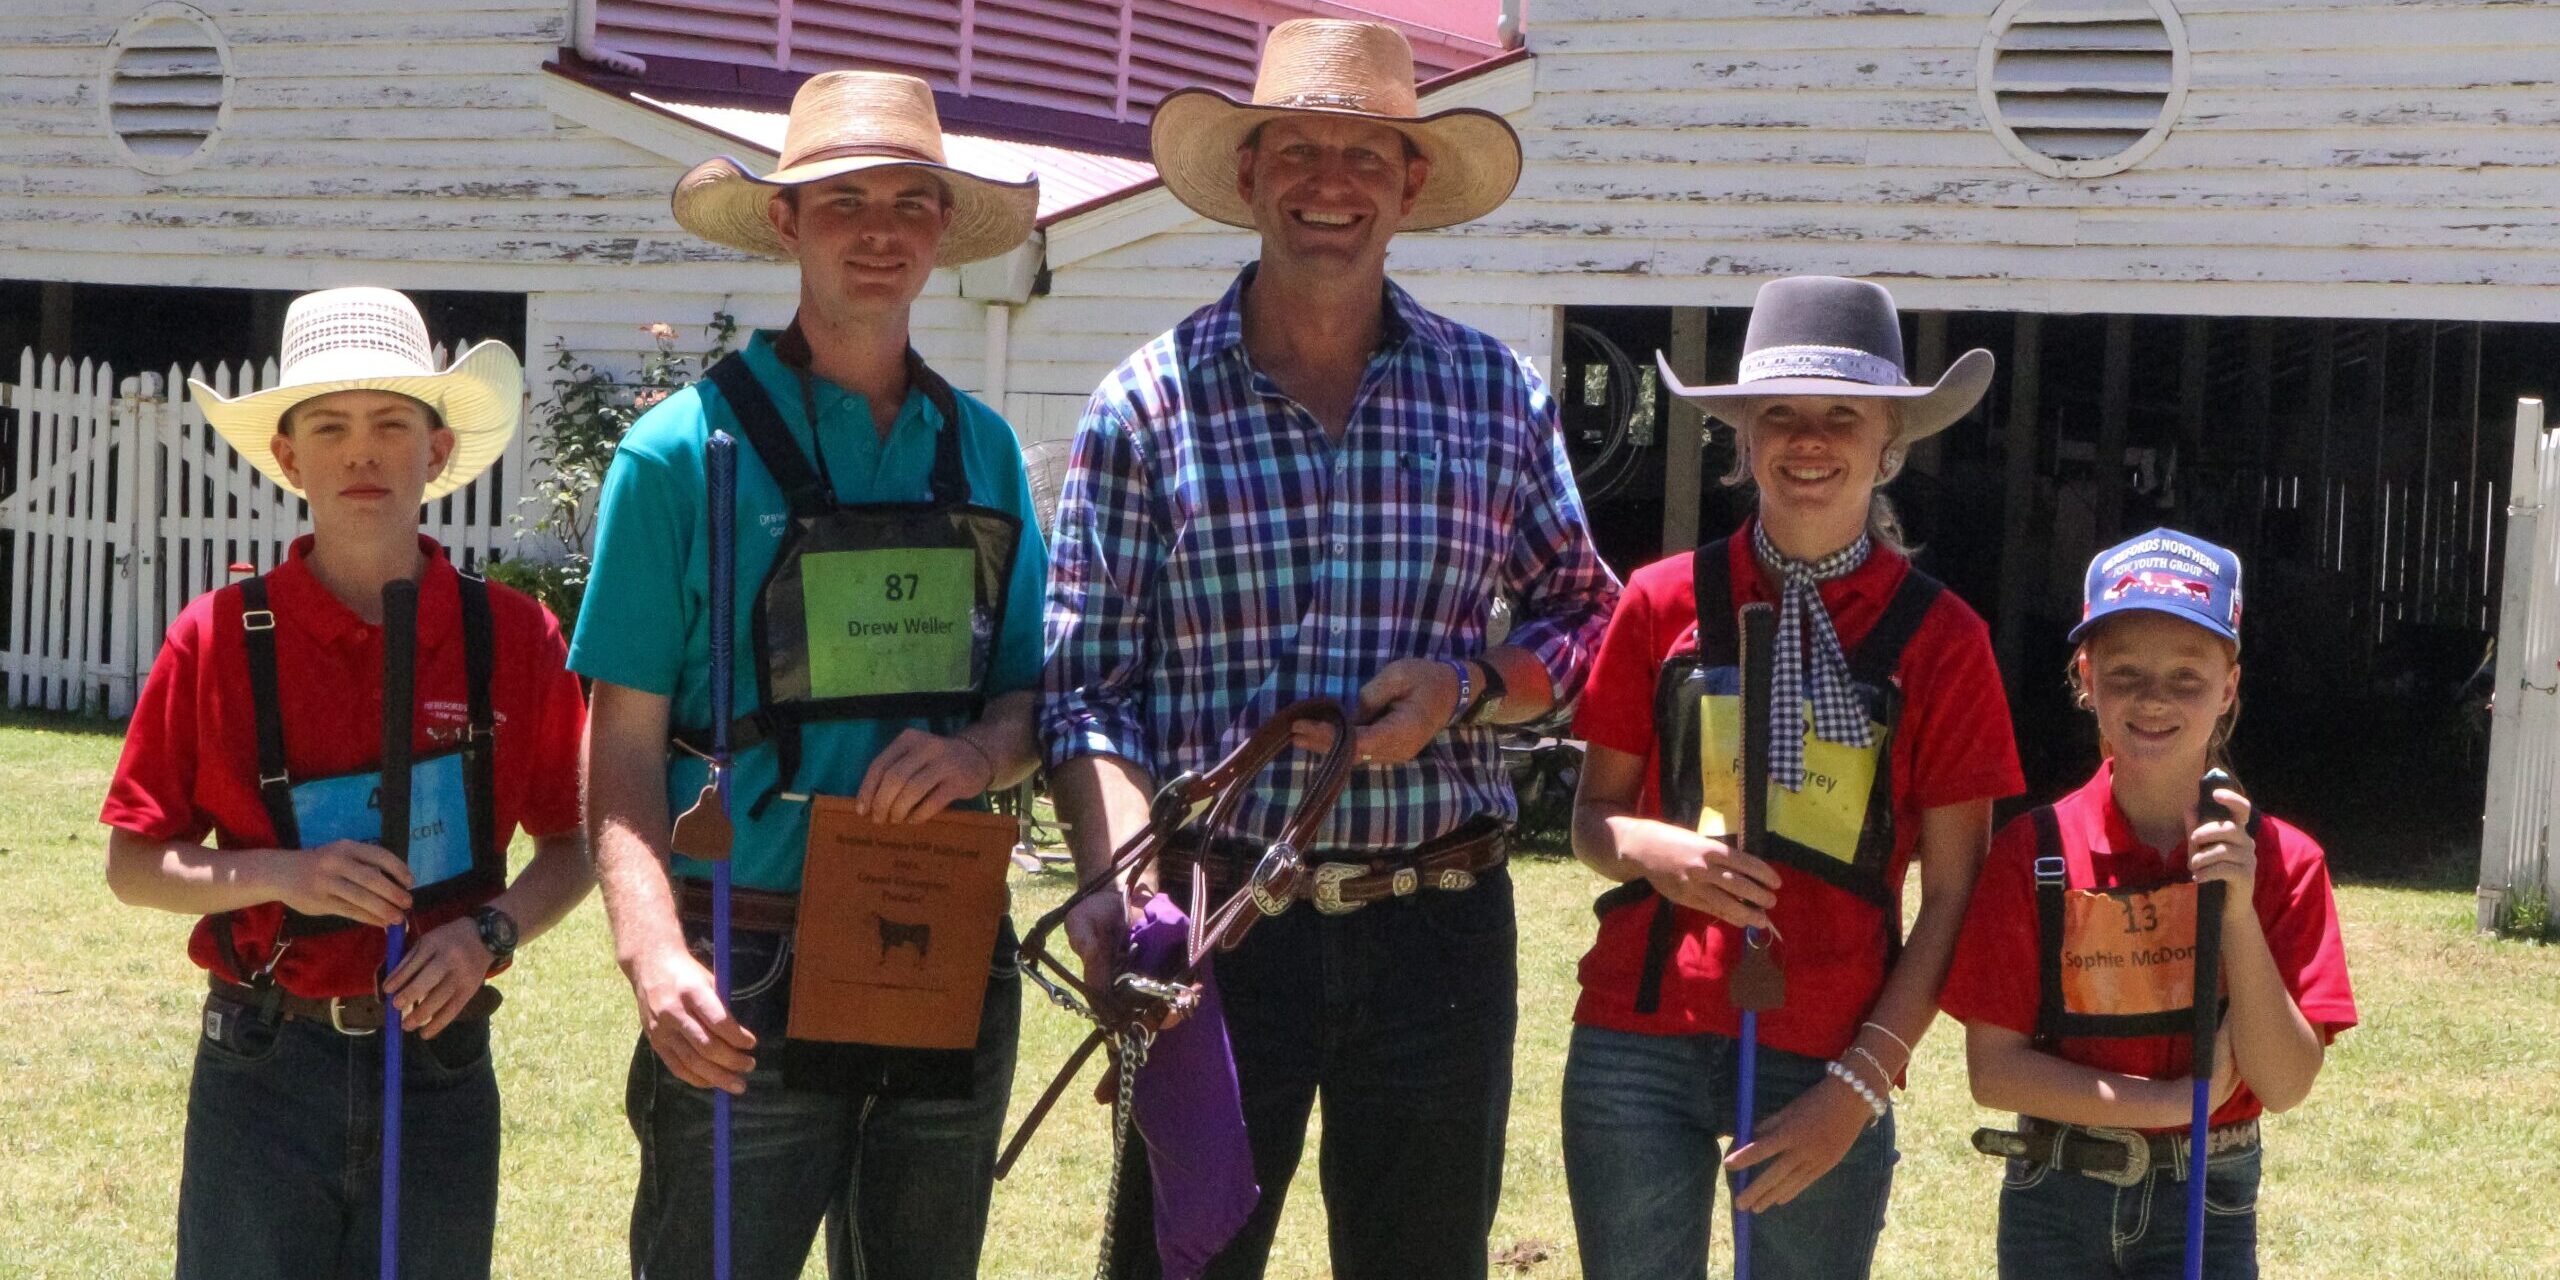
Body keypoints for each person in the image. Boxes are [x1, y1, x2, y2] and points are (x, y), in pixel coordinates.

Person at [1040, 19, 1618, 1280]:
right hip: (1216, 919)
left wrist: (1467, 689)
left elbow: (1589, 617)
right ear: (1248, 176)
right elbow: (1088, 693)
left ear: (1410, 187)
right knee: (1175, 1262)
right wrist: (1120, 883)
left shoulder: (1493, 393)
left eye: (1365, 156)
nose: (1329, 184)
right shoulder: (1144, 405)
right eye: (1296, 149)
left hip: (1437, 926)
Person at [573, 69, 1048, 1280]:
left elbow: (1028, 695)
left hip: (942, 947)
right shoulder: (674, 457)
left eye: (909, 202)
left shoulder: (983, 452)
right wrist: (650, 950)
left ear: (942, 229)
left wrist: (978, 752)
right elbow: (619, 742)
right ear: (785, 222)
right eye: (843, 201)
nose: (880, 230)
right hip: (742, 950)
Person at [101, 286, 592, 1280]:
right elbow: (134, 863)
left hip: (439, 1066)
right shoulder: (218, 637)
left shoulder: (512, 636)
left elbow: (575, 846)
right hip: (262, 1062)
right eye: (329, 426)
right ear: (289, 458)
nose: (361, 452)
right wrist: (286, 872)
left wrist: (488, 931)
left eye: (390, 424)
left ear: (438, 448)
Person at [1561, 275, 2024, 1279]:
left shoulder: (1947, 643)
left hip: (1825, 1047)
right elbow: (1592, 818)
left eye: (1841, 415)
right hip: (1635, 1040)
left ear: (1889, 440)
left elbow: (1953, 894)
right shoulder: (1657, 602)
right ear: (1742, 436)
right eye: (1780, 413)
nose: (1808, 438)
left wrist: (1855, 1088)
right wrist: (1657, 849)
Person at [1941, 529, 2357, 1278]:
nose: (2154, 699)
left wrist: (2235, 913)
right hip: (2054, 1192)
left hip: (2211, 1193)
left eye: (2187, 677)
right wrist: (2168, 1103)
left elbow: (2286, 1083)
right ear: (2085, 676)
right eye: (2125, 673)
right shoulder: (2033, 854)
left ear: (2229, 686)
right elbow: (1993, 1073)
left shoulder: (2287, 863)